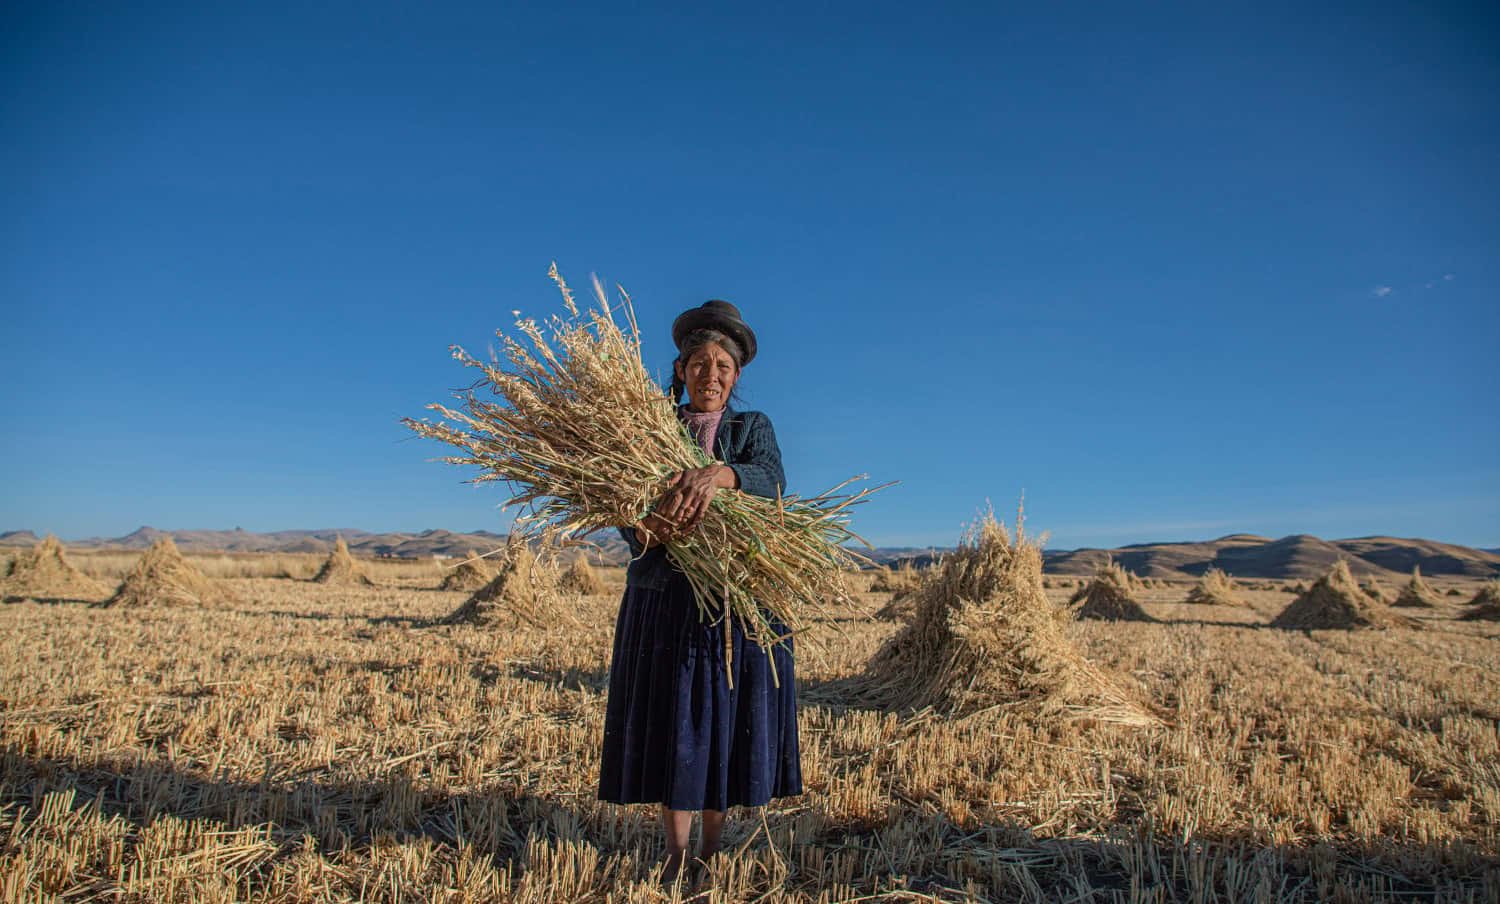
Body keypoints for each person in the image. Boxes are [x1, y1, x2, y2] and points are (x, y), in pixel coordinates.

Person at [597, 300, 802, 885]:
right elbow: (626, 512)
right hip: (665, 597)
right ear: (682, 369)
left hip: (736, 601)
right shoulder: (650, 431)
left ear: (736, 377)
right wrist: (645, 530)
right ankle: (675, 852)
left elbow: (772, 480)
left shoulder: (749, 429)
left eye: (724, 366)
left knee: (722, 724)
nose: (712, 374)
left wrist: (718, 475)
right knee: (675, 722)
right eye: (700, 363)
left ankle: (712, 851)